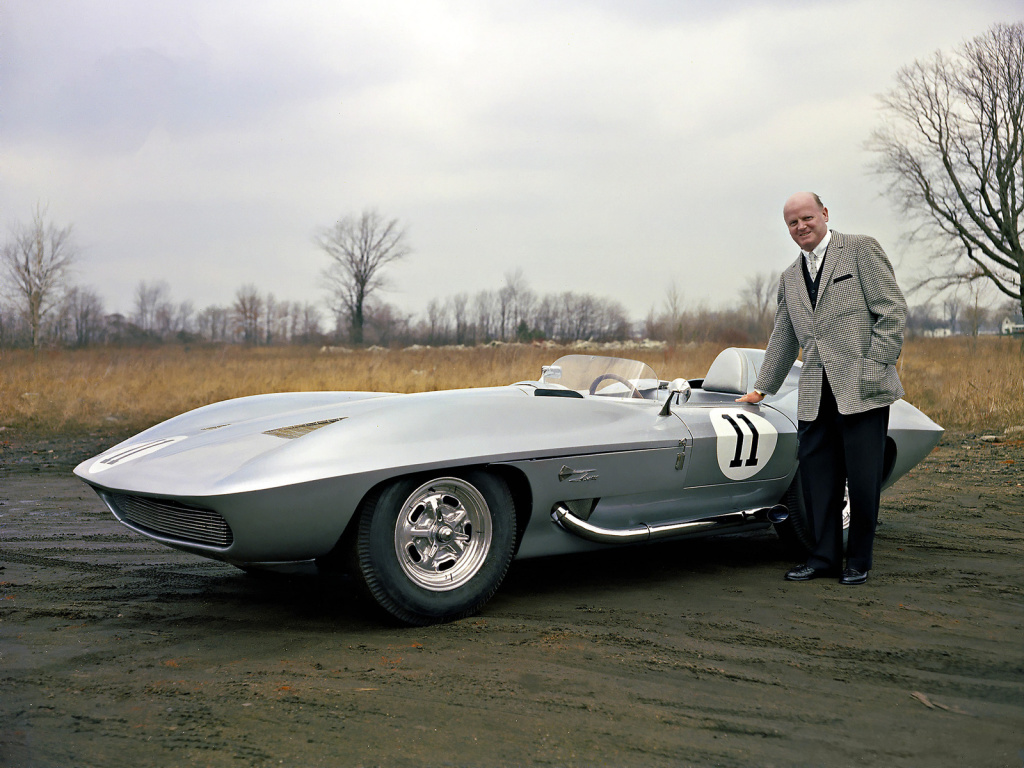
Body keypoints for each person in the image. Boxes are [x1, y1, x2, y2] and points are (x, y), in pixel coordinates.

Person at [737, 192, 907, 585]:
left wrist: (874, 364)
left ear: (825, 214)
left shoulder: (861, 250)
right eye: (793, 223)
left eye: (807, 218)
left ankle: (858, 560)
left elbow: (893, 310)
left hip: (862, 388)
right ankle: (824, 557)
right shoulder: (789, 278)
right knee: (818, 481)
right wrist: (762, 389)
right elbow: (784, 336)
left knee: (863, 480)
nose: (801, 227)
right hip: (814, 393)